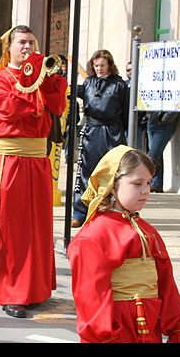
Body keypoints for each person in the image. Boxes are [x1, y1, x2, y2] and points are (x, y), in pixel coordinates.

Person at [68, 145, 180, 343]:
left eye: (148, 183)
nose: (146, 191)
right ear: (113, 184)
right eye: (137, 184)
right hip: (118, 330)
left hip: (149, 326)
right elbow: (91, 300)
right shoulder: (94, 236)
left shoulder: (148, 231)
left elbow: (166, 285)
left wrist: (179, 325)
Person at [0, 25, 67, 318]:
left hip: (38, 158)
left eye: (31, 42)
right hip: (11, 159)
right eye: (22, 42)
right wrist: (34, 93)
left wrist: (46, 80)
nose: (27, 47)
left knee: (38, 226)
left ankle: (35, 289)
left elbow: (57, 105)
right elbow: (7, 110)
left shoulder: (43, 76)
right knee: (12, 226)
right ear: (10, 47)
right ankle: (11, 292)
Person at [72, 49, 128, 227]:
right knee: (85, 172)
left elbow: (125, 112)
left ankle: (108, 210)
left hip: (112, 130)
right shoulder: (88, 82)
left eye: (102, 65)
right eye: (96, 65)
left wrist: (121, 133)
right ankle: (80, 212)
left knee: (112, 173)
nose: (99, 69)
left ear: (110, 65)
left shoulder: (119, 85)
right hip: (92, 130)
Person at [146, 110, 179, 193]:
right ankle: (157, 184)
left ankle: (147, 180)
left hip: (164, 126)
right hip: (152, 122)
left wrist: (163, 120)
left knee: (153, 156)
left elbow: (174, 108)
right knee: (157, 155)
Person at [124, 61, 148, 151]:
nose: (130, 72)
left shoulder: (143, 85)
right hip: (125, 124)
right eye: (128, 70)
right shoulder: (124, 84)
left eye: (132, 70)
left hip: (137, 124)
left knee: (137, 150)